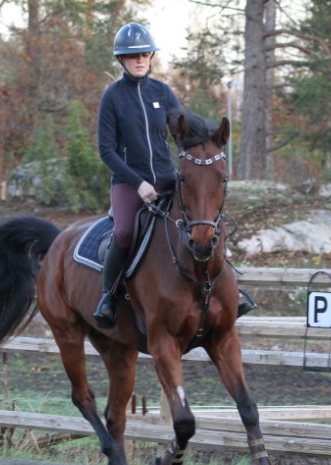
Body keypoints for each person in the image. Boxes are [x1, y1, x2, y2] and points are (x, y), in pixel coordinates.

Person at [92, 22, 255, 329]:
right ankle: (108, 297)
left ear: (151, 57)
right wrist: (138, 184)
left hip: (167, 179)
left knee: (203, 220)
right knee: (125, 232)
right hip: (129, 184)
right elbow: (107, 151)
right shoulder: (112, 97)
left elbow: (186, 129)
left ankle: (227, 290)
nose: (140, 60)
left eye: (145, 54)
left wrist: (211, 138)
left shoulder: (163, 93)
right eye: (133, 56)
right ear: (121, 60)